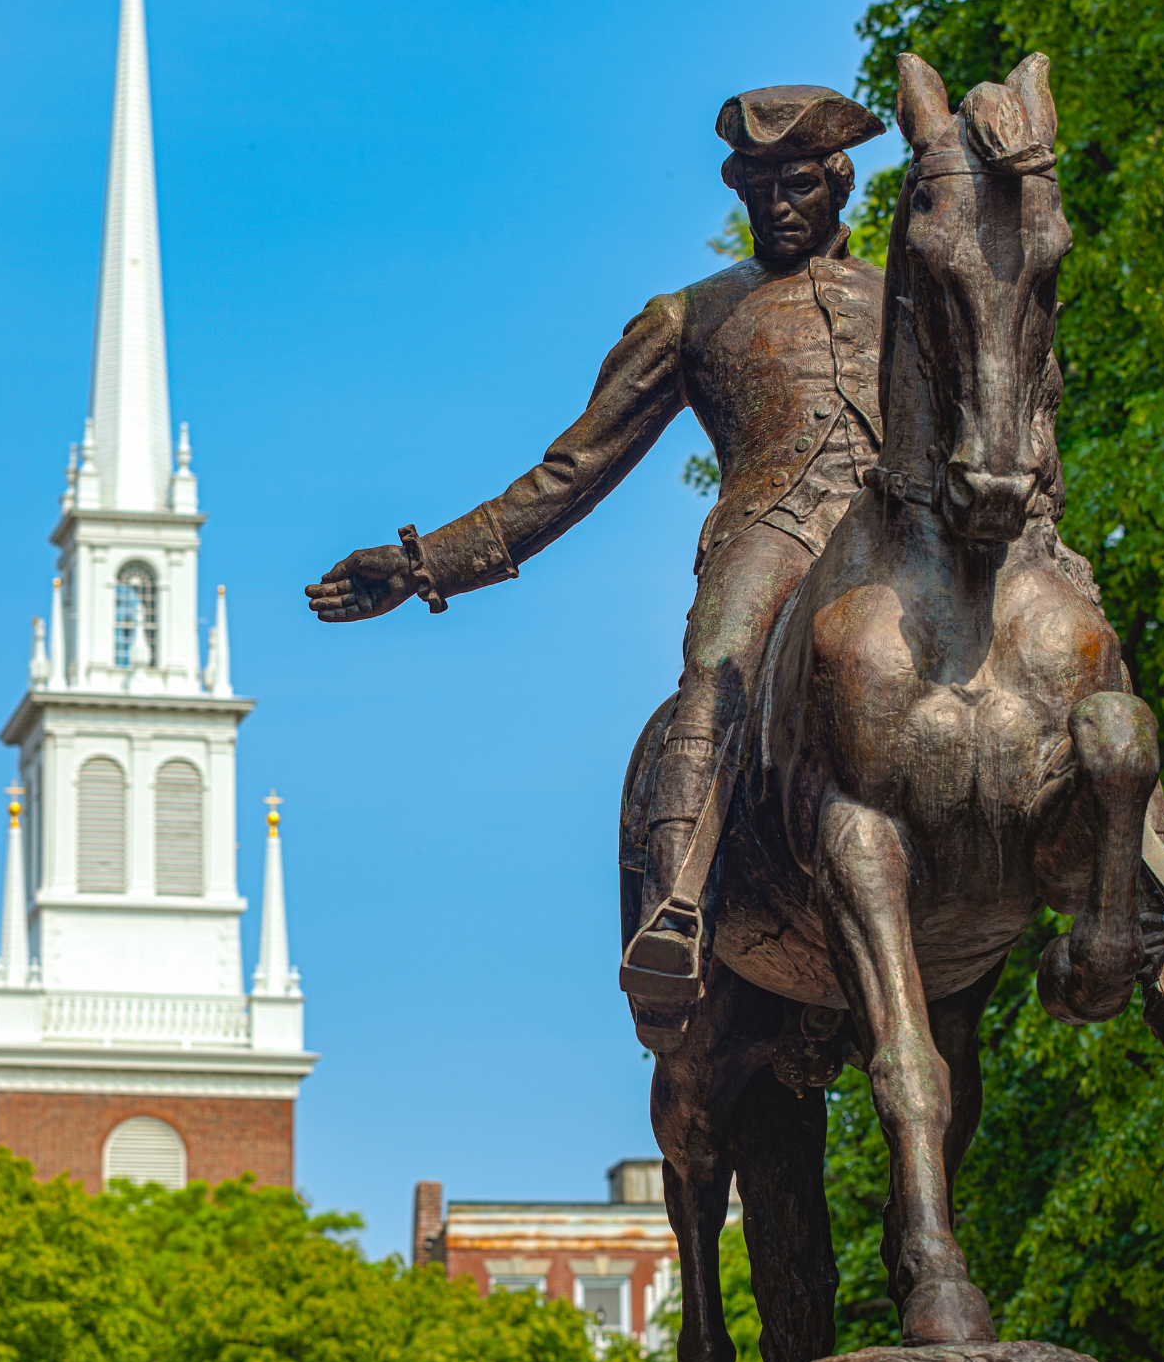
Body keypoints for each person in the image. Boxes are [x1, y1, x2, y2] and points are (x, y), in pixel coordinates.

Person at [307, 85, 886, 1040]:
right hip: (771, 534)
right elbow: (571, 472)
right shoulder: (691, 317)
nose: (776, 205)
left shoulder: (908, 295)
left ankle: (1154, 898)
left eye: (796, 184)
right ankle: (679, 911)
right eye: (756, 188)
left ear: (837, 183)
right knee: (716, 669)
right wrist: (422, 567)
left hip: (893, 543)